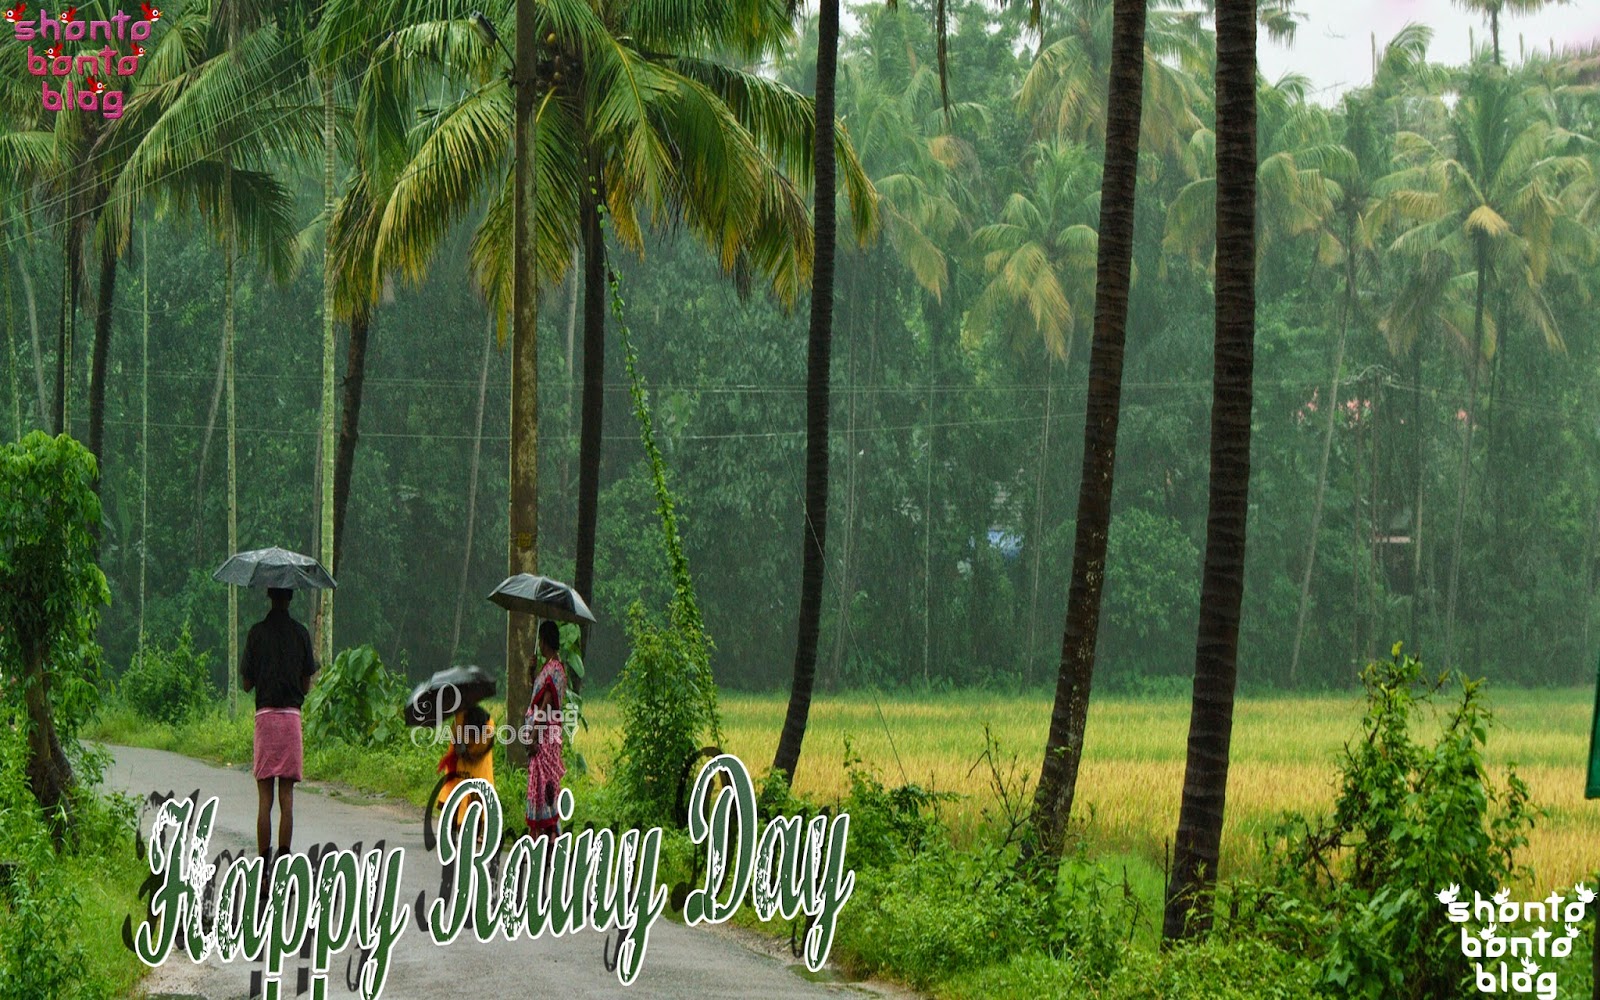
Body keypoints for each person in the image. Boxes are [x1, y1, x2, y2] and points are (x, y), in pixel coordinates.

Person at [239, 587, 318, 860]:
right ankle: (284, 864)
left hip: (265, 719)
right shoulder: (301, 634)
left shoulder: (256, 633)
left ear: (269, 596)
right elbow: (306, 685)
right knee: (287, 798)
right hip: (291, 721)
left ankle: (263, 869)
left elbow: (247, 684)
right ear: (290, 598)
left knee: (265, 800)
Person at [523, 620, 567, 841]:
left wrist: (533, 735)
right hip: (542, 735)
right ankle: (544, 836)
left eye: (540, 640)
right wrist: (532, 673)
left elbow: (545, 704)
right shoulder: (547, 668)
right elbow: (537, 695)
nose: (538, 645)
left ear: (545, 641)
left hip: (544, 738)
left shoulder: (555, 670)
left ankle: (548, 836)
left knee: (544, 786)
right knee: (541, 787)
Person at [436, 704, 495, 830]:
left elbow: (480, 752)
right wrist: (458, 743)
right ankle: (452, 824)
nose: (471, 737)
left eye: (474, 734)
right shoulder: (460, 718)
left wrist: (467, 751)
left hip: (480, 764)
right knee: (456, 790)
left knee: (478, 795)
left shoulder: (489, 727)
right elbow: (455, 737)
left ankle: (477, 828)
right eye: (470, 733)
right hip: (460, 762)